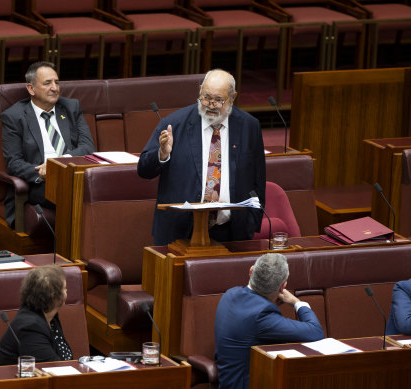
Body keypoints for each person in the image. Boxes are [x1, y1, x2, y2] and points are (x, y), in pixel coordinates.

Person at [137, 69, 265, 246]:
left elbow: (258, 179)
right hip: (179, 232)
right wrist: (162, 154)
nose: (211, 105)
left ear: (232, 97)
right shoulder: (175, 124)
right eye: (206, 97)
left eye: (218, 100)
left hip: (231, 232)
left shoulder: (249, 126)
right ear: (199, 91)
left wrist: (251, 222)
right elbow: (143, 169)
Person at [1, 61, 95, 227]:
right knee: (72, 196)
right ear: (31, 88)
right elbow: (14, 163)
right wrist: (43, 173)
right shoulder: (14, 117)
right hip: (42, 183)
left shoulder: (71, 108)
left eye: (57, 82)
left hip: (74, 175)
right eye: (47, 83)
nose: (55, 88)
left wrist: (58, 164)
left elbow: (88, 147)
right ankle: (70, 251)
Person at [214, 253, 324, 389]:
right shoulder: (262, 316)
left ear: (251, 271)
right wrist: (297, 303)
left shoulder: (230, 294)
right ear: (283, 286)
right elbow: (315, 332)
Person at [0, 265, 73, 365]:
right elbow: (51, 367)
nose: (66, 291)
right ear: (53, 295)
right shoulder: (30, 327)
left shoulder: (51, 317)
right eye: (64, 288)